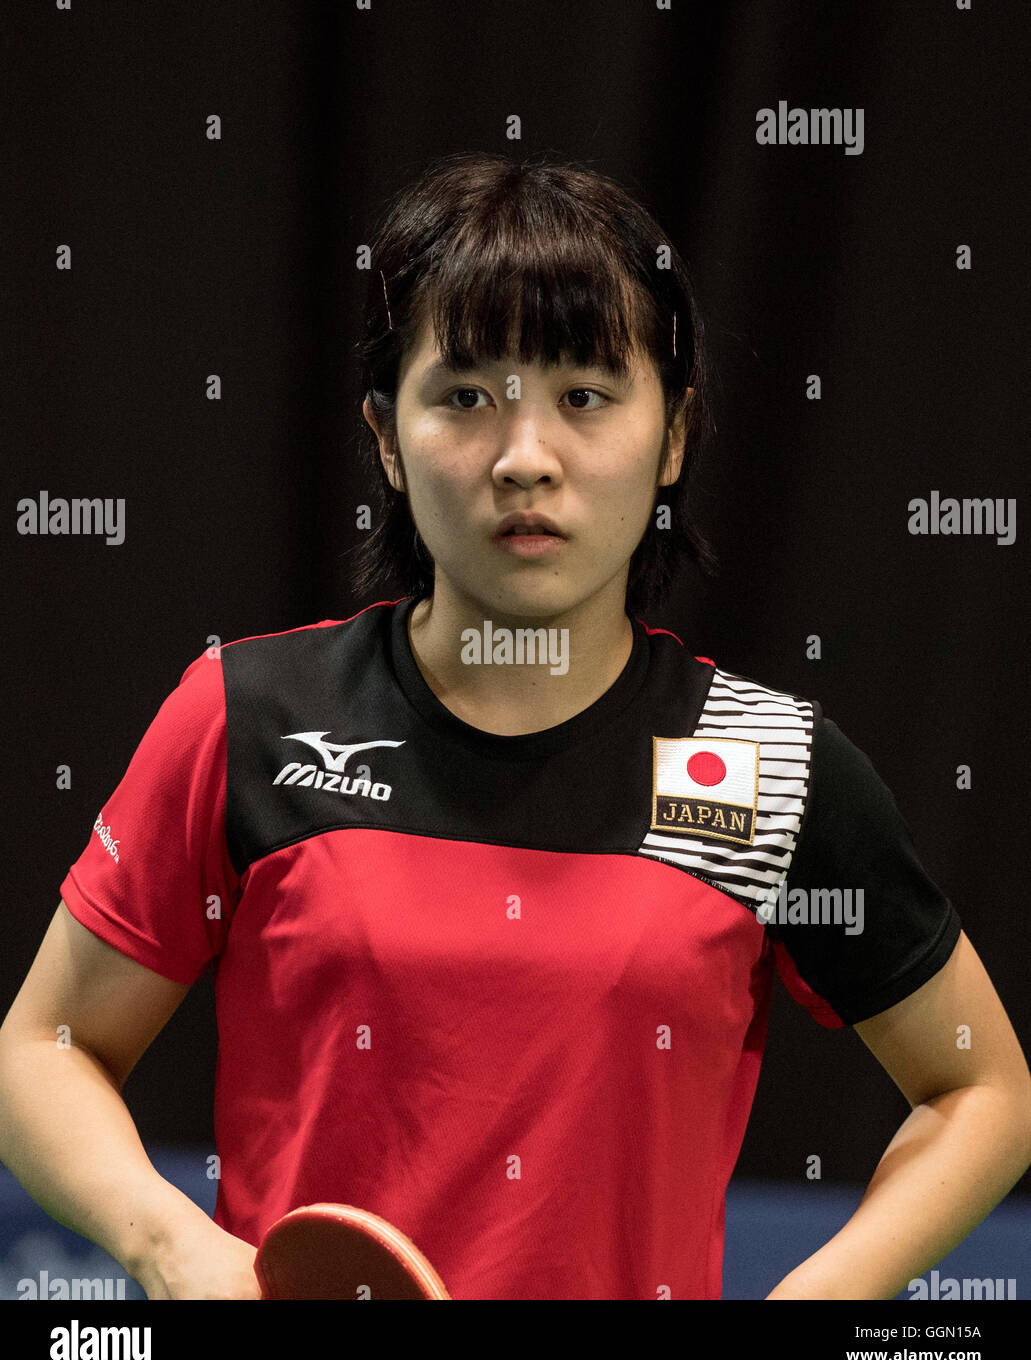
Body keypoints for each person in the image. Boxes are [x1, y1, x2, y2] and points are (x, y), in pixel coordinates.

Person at [2, 152, 1029, 1301]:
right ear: (386, 438)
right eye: (463, 396)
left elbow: (980, 1090)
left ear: (673, 440)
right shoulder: (249, 716)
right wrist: (167, 1242)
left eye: (584, 396)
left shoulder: (763, 767)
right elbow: (41, 1051)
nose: (524, 457)